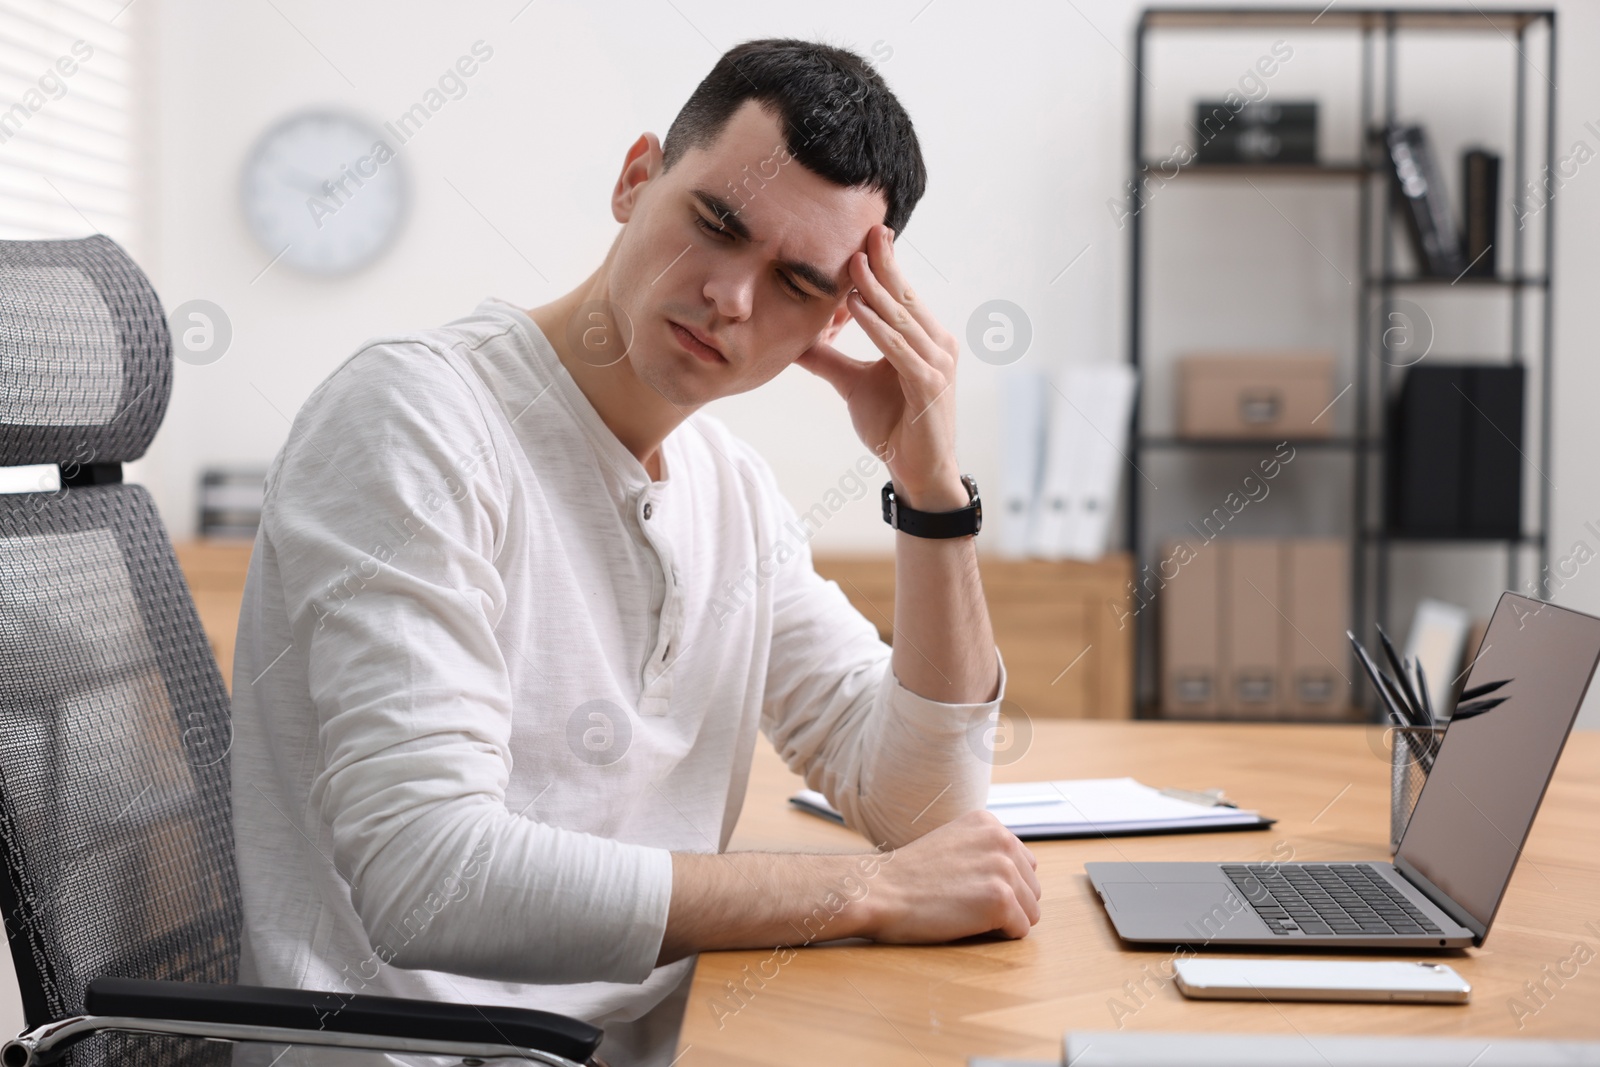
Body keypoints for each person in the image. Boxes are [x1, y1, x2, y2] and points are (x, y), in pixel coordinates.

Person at [229, 36, 1041, 1067]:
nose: (733, 298)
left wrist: (928, 493)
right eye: (715, 223)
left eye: (795, 280)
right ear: (635, 179)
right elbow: (429, 875)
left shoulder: (729, 488)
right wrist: (865, 892)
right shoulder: (416, 421)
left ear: (841, 317)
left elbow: (919, 808)